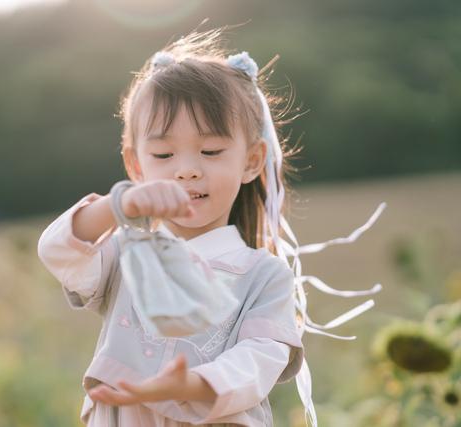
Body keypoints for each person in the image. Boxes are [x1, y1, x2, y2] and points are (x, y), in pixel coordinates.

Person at [37, 24, 385, 427]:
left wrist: (190, 385)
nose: (187, 171)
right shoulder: (126, 254)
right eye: (164, 154)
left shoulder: (264, 275)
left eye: (211, 150)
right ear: (136, 166)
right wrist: (119, 206)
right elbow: (59, 251)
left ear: (252, 160)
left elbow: (259, 360)